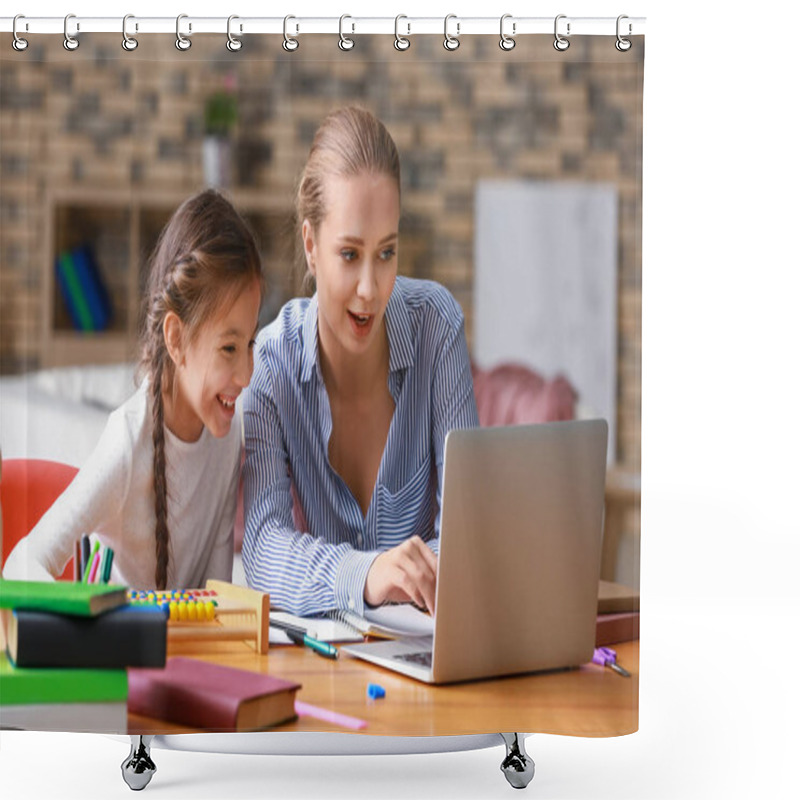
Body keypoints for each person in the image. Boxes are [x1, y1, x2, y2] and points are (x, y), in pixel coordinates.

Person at [242, 107, 478, 617]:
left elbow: (470, 530)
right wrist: (366, 574)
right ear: (311, 245)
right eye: (349, 255)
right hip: (330, 662)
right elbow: (262, 548)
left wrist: (414, 573)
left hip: (428, 651)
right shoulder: (272, 364)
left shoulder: (437, 327)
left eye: (386, 253)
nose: (371, 290)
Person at [3, 190, 263, 589]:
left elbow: (216, 602)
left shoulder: (225, 442)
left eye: (250, 345)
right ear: (175, 339)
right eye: (229, 348)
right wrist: (82, 630)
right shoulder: (127, 442)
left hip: (185, 653)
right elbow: (23, 563)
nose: (246, 374)